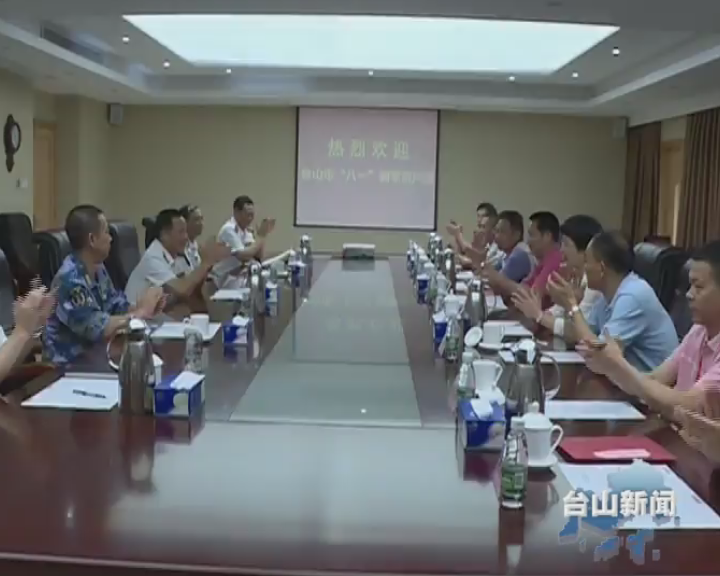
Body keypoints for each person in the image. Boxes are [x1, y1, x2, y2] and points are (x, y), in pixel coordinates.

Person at [45, 205, 165, 365]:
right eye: (106, 232)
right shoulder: (69, 279)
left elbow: (115, 306)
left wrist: (143, 307)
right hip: (70, 365)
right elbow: (97, 328)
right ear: (92, 240)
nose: (110, 238)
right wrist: (140, 313)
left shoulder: (98, 267)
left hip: (100, 355)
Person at [553, 230, 677, 372]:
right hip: (628, 378)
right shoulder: (606, 295)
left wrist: (572, 305)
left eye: (587, 261)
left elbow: (600, 354)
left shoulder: (632, 296)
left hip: (655, 381)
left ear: (601, 268)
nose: (584, 267)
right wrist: (567, 306)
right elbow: (583, 335)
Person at [513, 215, 604, 339]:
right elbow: (557, 312)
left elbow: (579, 331)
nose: (562, 250)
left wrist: (539, 316)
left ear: (585, 251)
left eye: (566, 244)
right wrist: (538, 314)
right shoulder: (574, 276)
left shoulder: (593, 283)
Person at [125, 208, 230, 314]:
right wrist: (206, 262)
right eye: (181, 232)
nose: (186, 237)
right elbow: (182, 289)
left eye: (186, 231)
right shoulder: (152, 258)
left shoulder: (177, 255)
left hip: (158, 312)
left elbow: (191, 288)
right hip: (135, 317)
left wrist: (209, 265)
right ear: (164, 235)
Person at [211, 195, 276, 289]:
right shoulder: (228, 229)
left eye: (252, 215)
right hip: (224, 280)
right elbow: (244, 256)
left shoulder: (245, 231)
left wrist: (263, 234)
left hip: (238, 276)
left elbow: (258, 255)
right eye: (248, 215)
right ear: (236, 212)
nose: (250, 218)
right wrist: (261, 236)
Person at [447, 203, 503, 269]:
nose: (479, 220)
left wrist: (458, 235)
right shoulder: (482, 238)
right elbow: (469, 255)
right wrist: (457, 237)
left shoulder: (499, 242)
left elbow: (479, 261)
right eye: (478, 216)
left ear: (494, 219)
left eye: (483, 216)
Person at [179, 204, 204, 270]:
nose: (201, 223)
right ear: (184, 223)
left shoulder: (195, 245)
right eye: (196, 219)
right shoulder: (180, 248)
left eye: (201, 219)